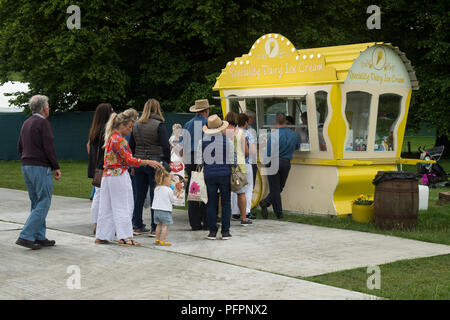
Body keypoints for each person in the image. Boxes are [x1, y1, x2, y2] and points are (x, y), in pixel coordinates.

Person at [95, 111, 162, 246]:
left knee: (106, 206)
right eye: (130, 127)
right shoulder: (120, 141)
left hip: (107, 176)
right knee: (124, 205)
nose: (131, 130)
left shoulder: (110, 138)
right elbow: (129, 160)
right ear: (122, 125)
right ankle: (125, 237)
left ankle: (102, 235)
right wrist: (148, 162)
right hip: (119, 175)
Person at [16, 95, 61, 250]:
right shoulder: (43, 123)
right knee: (44, 201)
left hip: (26, 165)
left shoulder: (26, 122)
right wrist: (56, 166)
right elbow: (48, 147)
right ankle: (26, 235)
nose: (49, 108)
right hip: (40, 166)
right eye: (47, 105)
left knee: (36, 202)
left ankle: (38, 236)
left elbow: (20, 146)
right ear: (43, 108)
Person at [129, 99, 170, 237]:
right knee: (155, 196)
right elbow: (165, 145)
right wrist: (167, 161)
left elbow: (131, 145)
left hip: (140, 162)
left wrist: (135, 161)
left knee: (139, 195)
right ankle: (154, 227)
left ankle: (137, 225)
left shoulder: (136, 125)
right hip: (156, 162)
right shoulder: (159, 125)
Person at [259, 113, 299, 219]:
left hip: (274, 162)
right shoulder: (293, 134)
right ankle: (266, 202)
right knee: (279, 187)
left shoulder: (274, 135)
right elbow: (297, 146)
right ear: (285, 121)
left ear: (276, 122)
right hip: (286, 162)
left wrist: (267, 164)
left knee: (275, 189)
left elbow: (268, 152)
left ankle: (278, 213)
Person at [202, 114, 234, 240]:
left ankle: (212, 231)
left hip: (209, 174)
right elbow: (232, 159)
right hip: (225, 173)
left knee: (211, 202)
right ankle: (225, 232)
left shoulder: (202, 142)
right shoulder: (228, 141)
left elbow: (200, 160)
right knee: (226, 203)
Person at [180, 99, 210, 231]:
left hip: (189, 158)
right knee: (205, 190)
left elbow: (181, 146)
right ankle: (206, 220)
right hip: (204, 157)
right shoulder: (207, 123)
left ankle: (194, 223)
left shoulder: (187, 124)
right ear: (206, 111)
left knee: (193, 190)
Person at [87, 103, 114, 235]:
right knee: (106, 197)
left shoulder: (94, 129)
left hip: (95, 167)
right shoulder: (106, 130)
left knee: (98, 196)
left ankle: (96, 223)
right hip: (104, 167)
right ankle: (102, 225)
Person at [231, 113, 253, 226]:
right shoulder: (245, 134)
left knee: (233, 189)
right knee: (245, 190)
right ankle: (246, 214)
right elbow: (248, 151)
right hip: (243, 163)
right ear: (245, 122)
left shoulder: (231, 132)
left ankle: (234, 212)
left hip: (231, 164)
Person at [151, 167, 176, 246]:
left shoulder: (156, 188)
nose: (170, 182)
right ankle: (163, 240)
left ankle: (157, 239)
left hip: (156, 211)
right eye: (169, 180)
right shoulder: (168, 190)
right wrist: (177, 194)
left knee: (158, 225)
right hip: (165, 211)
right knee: (165, 226)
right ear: (166, 180)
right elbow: (173, 200)